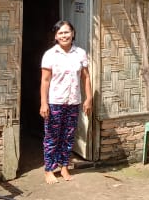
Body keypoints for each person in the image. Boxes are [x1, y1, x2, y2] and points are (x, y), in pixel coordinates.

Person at [39, 20, 93, 184]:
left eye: (67, 32)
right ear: (56, 36)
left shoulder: (80, 53)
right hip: (55, 102)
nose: (64, 35)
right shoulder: (50, 54)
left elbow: (86, 77)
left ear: (73, 33)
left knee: (68, 137)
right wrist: (44, 103)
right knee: (52, 137)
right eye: (60, 33)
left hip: (73, 102)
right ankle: (49, 169)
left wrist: (88, 98)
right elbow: (45, 81)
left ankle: (64, 167)